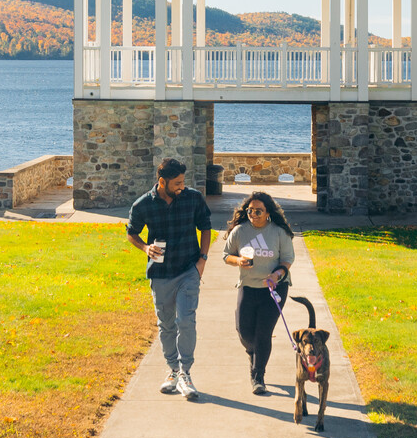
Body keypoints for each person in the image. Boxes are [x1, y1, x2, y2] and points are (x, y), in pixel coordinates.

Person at [126, 157, 214, 400]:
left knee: (186, 320)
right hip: (161, 273)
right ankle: (172, 370)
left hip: (188, 270)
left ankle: (186, 372)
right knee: (166, 324)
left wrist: (202, 260)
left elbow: (205, 226)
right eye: (176, 183)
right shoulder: (143, 205)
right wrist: (145, 248)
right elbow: (131, 232)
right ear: (162, 181)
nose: (181, 187)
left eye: (183, 182)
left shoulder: (192, 198)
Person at [221, 191, 295, 396]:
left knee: (263, 332)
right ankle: (254, 354)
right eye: (250, 210)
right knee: (244, 331)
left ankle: (258, 376)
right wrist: (238, 261)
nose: (253, 214)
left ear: (268, 212)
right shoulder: (240, 231)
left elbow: (287, 259)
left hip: (274, 288)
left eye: (258, 211)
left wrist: (277, 274)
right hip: (248, 285)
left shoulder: (279, 232)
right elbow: (226, 255)